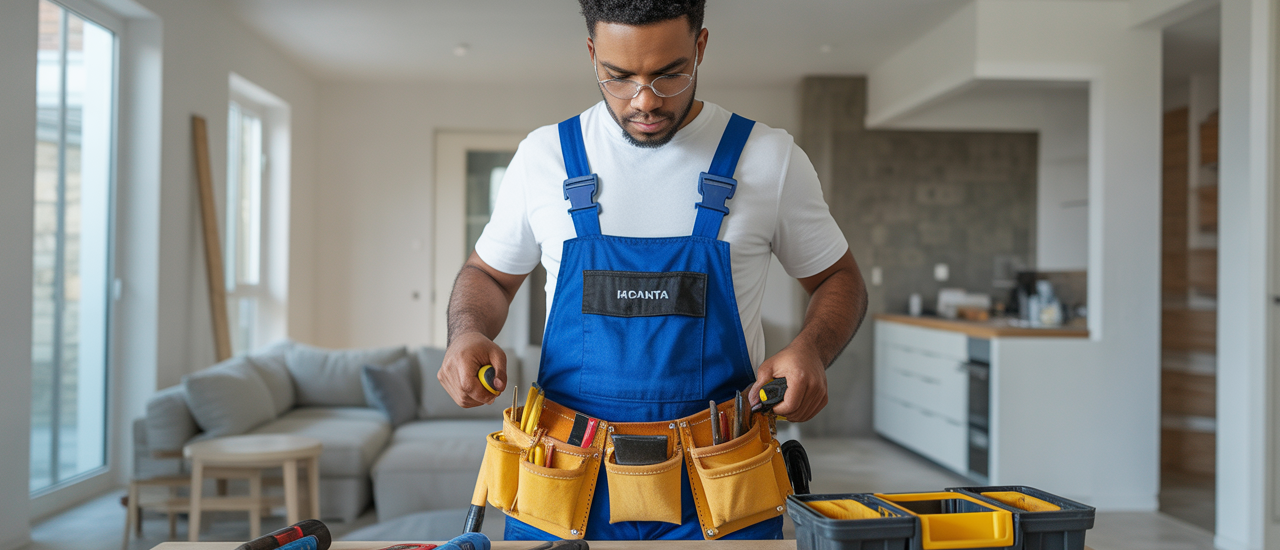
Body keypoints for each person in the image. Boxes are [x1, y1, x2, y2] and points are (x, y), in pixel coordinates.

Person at [438, 0, 867, 541]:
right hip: (561, 481)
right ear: (592, 53)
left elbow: (839, 278)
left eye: (669, 74)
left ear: (700, 46)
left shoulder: (769, 157)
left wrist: (813, 349)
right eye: (618, 76)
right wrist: (466, 332)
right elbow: (488, 276)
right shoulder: (544, 157)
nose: (644, 100)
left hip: (721, 486)